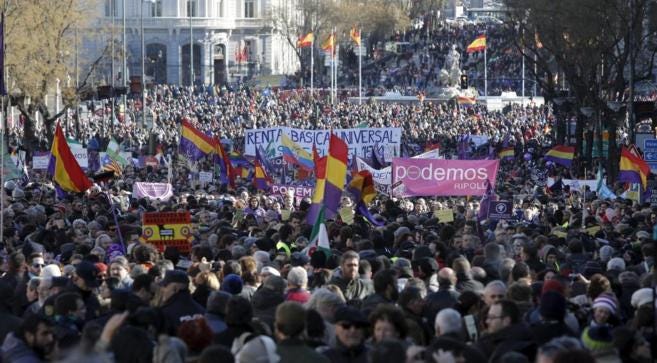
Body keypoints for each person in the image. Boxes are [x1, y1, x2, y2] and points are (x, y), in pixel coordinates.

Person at [158, 269, 205, 334]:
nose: (162, 289)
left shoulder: (165, 313)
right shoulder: (201, 310)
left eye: (165, 286)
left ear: (175, 288)